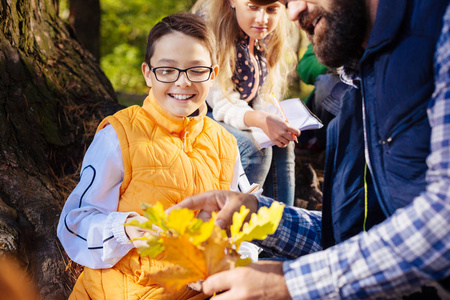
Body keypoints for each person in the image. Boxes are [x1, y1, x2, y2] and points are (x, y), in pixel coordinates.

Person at [170, 0, 450, 299]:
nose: (293, 13)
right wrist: (259, 216)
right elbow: (356, 237)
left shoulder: (438, 32)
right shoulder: (358, 84)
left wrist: (289, 284)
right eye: (286, 2)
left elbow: (440, 224)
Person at [57, 13, 258, 300]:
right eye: (167, 70)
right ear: (148, 74)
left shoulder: (224, 143)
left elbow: (241, 226)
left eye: (196, 70)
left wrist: (234, 263)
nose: (182, 82)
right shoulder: (119, 135)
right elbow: (74, 223)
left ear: (212, 75)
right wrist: (126, 228)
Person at [191, 0, 299, 206]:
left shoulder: (265, 39)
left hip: (238, 113)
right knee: (256, 149)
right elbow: (222, 104)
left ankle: (283, 221)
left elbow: (263, 96)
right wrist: (259, 120)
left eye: (271, 9)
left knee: (283, 143)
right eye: (253, 7)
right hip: (202, 115)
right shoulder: (212, 34)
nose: (262, 19)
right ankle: (238, 221)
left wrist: (272, 120)